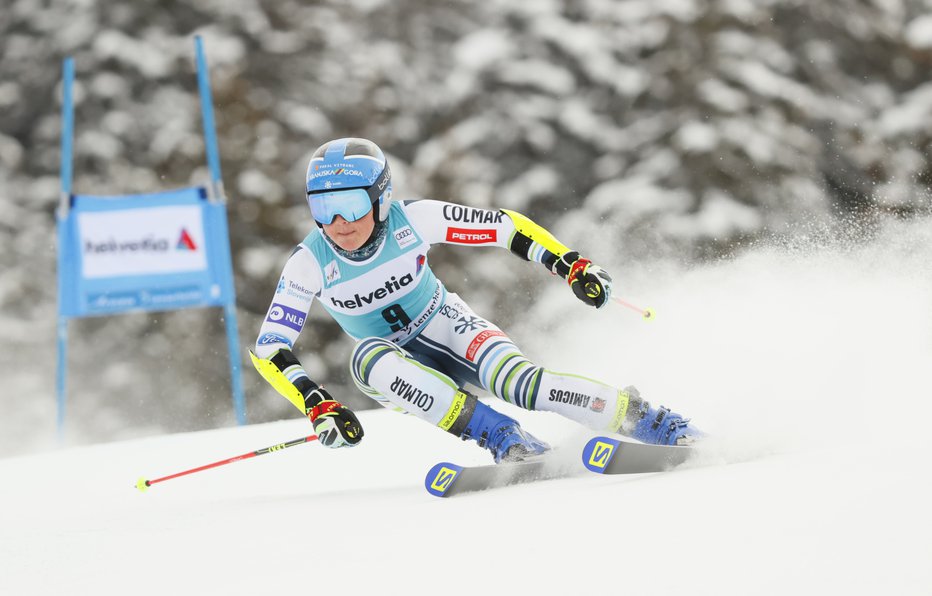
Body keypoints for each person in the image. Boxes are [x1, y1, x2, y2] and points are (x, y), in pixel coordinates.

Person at [251, 137, 700, 462]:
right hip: (395, 365)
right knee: (367, 359)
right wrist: (315, 402)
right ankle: (502, 436)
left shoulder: (415, 219)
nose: (338, 224)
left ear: (380, 199)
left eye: (349, 205)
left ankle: (645, 418)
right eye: (323, 209)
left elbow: (503, 227)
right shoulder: (309, 262)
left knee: (521, 384)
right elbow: (271, 347)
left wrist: (568, 263)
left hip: (447, 323)